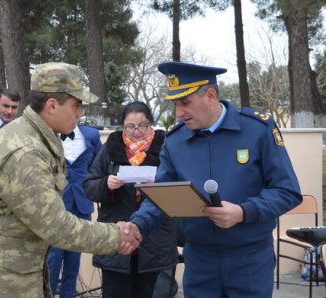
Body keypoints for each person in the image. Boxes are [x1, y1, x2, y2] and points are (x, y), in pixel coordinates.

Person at [0, 62, 142, 298]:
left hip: (10, 277)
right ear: (52, 105)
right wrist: (116, 235)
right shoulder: (25, 153)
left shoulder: (33, 137)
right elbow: (55, 226)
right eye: (77, 105)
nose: (80, 113)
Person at [128, 61, 302, 298]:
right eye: (175, 103)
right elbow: (162, 195)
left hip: (248, 260)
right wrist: (137, 224)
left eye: (185, 102)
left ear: (210, 95)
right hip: (200, 261)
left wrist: (243, 211)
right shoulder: (176, 140)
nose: (178, 112)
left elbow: (287, 191)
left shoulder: (257, 130)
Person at [84, 101, 179, 298]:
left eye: (142, 125)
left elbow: (180, 184)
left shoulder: (166, 147)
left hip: (154, 239)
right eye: (130, 126)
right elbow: (89, 185)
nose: (136, 131)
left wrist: (160, 185)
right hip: (116, 238)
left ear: (151, 123)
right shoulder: (111, 148)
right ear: (123, 126)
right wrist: (105, 184)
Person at [47, 125, 102, 297]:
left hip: (81, 203)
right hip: (56, 203)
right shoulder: (48, 133)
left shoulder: (91, 135)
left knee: (73, 258)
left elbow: (98, 166)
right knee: (53, 258)